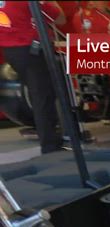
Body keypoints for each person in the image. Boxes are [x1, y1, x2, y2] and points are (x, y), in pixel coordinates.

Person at [0, 1, 66, 153]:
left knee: (39, 95)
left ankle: (50, 138)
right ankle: (50, 144)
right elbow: (60, 18)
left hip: (11, 50)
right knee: (43, 96)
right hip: (31, 49)